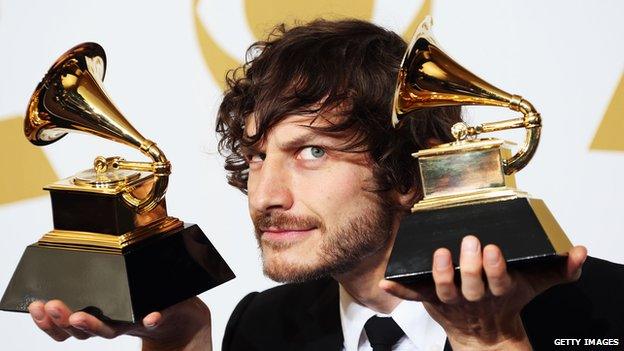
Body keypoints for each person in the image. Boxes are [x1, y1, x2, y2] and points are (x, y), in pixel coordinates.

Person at [27, 19, 623, 351]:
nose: (266, 196)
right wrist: (180, 335)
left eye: (312, 151)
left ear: (405, 174)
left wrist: (491, 343)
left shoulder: (605, 308)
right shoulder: (260, 328)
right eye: (258, 156)